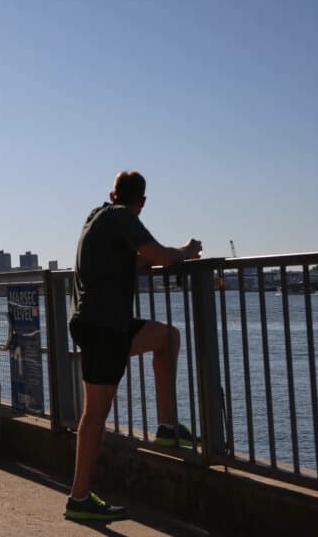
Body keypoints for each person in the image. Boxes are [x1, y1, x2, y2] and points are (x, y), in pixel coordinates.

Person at [64, 171, 203, 522]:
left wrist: (157, 258)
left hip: (103, 323)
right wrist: (185, 251)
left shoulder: (98, 217)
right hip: (104, 326)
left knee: (167, 338)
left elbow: (136, 260)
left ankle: (167, 428)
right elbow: (156, 253)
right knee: (94, 415)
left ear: (112, 193)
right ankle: (78, 498)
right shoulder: (122, 217)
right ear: (141, 202)